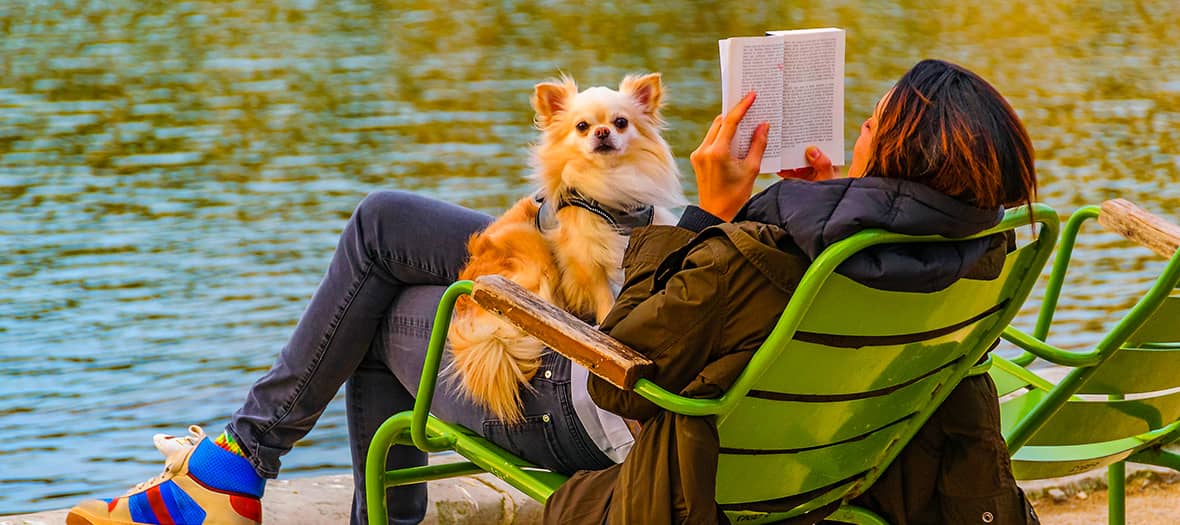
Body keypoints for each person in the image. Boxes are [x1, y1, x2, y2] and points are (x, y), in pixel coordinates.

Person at [68, 58, 1037, 525]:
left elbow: (633, 355)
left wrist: (713, 217)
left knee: (387, 279)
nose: (858, 136)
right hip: (792, 455)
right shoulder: (966, 253)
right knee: (391, 230)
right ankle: (240, 466)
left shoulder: (788, 236)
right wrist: (801, 208)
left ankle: (237, 468)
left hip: (619, 424)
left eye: (870, 127)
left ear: (891, 150)